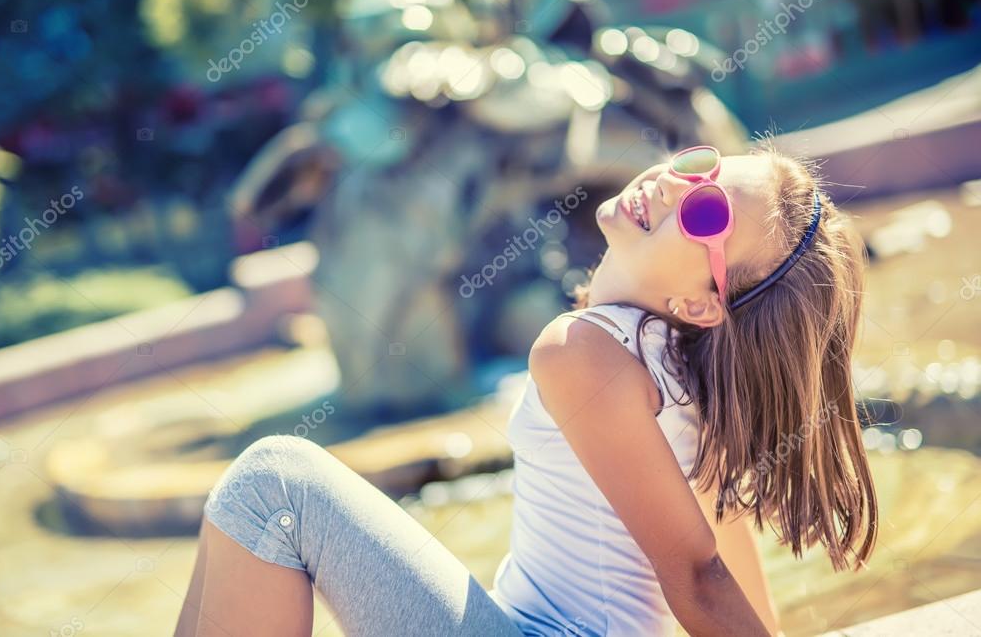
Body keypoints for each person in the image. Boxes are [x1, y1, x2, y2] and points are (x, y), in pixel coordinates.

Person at [175, 141, 877, 637]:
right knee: (259, 495)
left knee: (272, 485)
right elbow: (722, 547)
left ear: (702, 304)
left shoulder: (582, 353)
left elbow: (698, 576)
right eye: (703, 169)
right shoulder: (681, 364)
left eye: (706, 215)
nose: (674, 186)